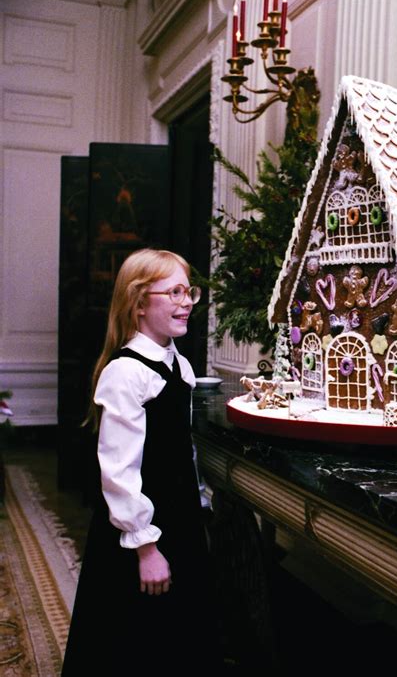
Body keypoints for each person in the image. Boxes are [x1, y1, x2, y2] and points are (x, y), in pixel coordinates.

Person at [62, 248, 222, 675]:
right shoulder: (126, 373)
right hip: (140, 534)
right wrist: (145, 546)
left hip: (178, 519)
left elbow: (180, 452)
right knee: (132, 641)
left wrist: (201, 499)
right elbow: (118, 471)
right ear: (138, 303)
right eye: (173, 292)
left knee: (176, 635)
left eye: (189, 291)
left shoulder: (181, 367)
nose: (186, 301)